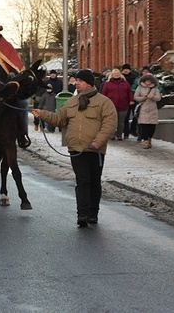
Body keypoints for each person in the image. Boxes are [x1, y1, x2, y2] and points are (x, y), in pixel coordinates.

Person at [31, 69, 117, 227]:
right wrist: (42, 114)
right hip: (76, 149)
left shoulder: (104, 102)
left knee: (94, 182)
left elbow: (109, 125)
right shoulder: (71, 102)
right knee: (82, 181)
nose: (77, 83)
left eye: (81, 81)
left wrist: (98, 142)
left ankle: (93, 213)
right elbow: (59, 119)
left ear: (89, 83)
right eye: (76, 80)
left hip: (95, 150)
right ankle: (82, 214)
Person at [100, 68, 134, 141]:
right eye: (115, 73)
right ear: (112, 75)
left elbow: (129, 92)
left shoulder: (125, 83)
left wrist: (131, 100)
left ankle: (119, 134)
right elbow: (104, 94)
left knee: (121, 121)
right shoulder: (107, 83)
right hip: (111, 105)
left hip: (123, 105)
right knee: (112, 121)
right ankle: (112, 134)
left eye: (118, 73)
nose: (116, 75)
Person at [133, 74, 162, 149]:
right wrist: (143, 98)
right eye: (146, 81)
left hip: (153, 109)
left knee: (152, 126)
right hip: (143, 109)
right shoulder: (139, 87)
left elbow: (158, 98)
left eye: (149, 81)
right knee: (143, 126)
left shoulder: (155, 88)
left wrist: (152, 97)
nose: (148, 82)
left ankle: (149, 138)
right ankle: (145, 140)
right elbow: (136, 97)